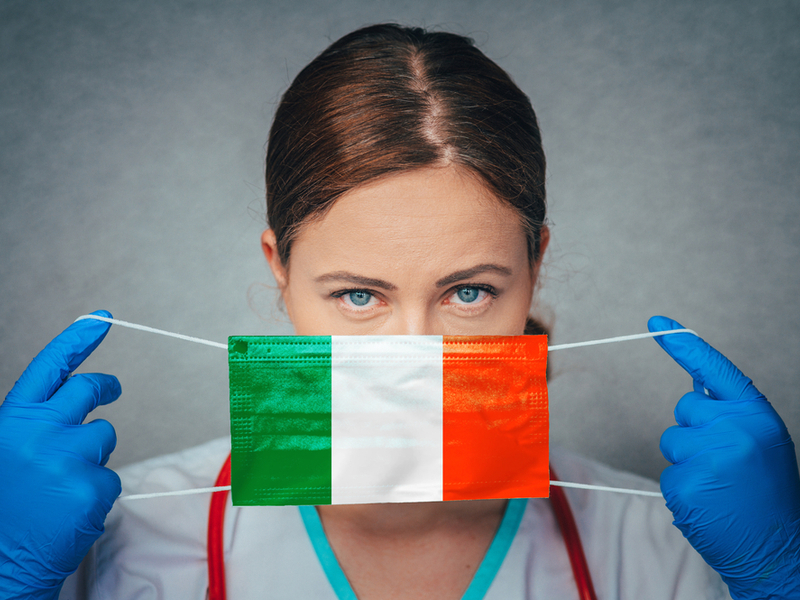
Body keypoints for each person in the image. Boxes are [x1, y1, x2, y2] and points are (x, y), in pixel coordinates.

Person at [1, 23, 799, 600]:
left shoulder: (669, 552)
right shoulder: (110, 545)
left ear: (534, 268)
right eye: (359, 295)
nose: (414, 355)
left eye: (468, 293)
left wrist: (777, 584)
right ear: (279, 271)